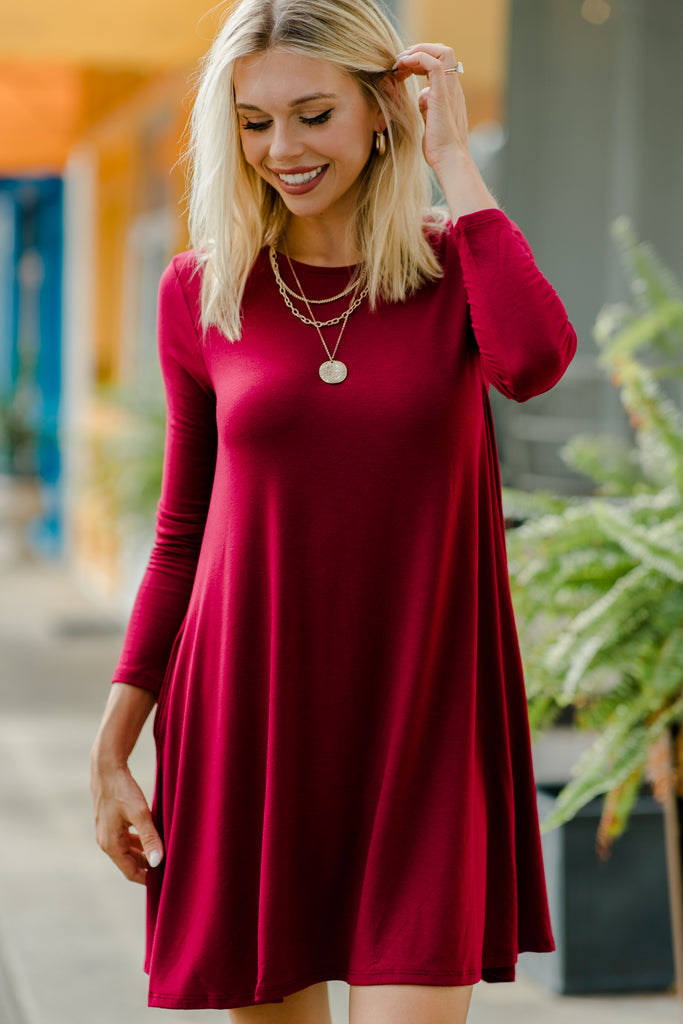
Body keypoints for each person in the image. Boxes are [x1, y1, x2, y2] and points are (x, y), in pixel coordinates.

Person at [90, 0, 577, 1021]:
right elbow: (183, 532)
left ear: (378, 108)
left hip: (423, 717)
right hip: (248, 713)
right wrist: (115, 742)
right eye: (253, 122)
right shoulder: (202, 292)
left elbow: (533, 362)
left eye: (313, 114)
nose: (282, 149)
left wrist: (452, 156)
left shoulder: (457, 272)